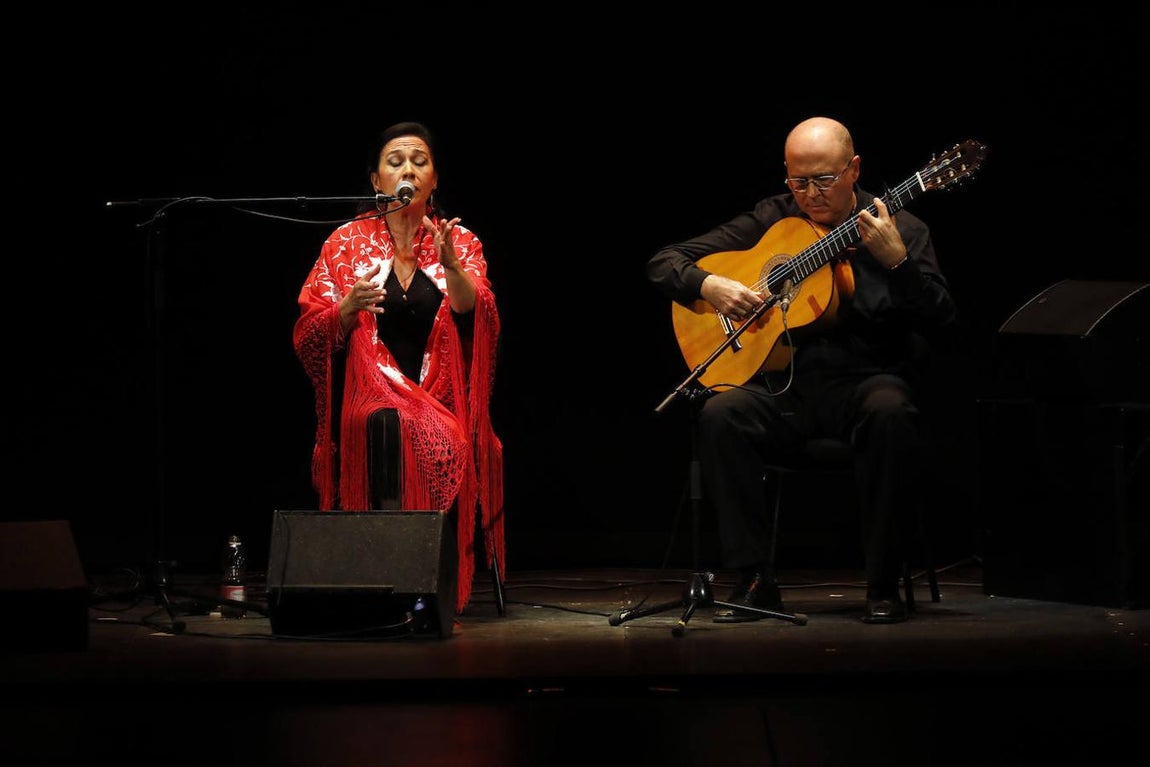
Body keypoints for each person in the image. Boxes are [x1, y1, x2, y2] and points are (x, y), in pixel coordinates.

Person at [646, 116, 959, 624]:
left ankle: (883, 586)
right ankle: (753, 583)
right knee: (721, 414)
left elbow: (944, 322)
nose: (810, 194)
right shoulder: (775, 218)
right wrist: (709, 286)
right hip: (788, 389)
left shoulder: (903, 228)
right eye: (799, 181)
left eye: (825, 180)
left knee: (890, 412)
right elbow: (665, 262)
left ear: (854, 169)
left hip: (866, 382)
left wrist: (898, 265)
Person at [293, 121, 503, 615]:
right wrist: (344, 309)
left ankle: (432, 580)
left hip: (443, 393)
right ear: (376, 180)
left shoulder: (459, 239)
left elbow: (478, 311)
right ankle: (381, 578)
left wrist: (451, 265)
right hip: (369, 389)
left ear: (434, 180)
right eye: (395, 161)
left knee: (441, 431)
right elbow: (310, 332)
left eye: (419, 160)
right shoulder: (345, 242)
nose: (408, 167)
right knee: (384, 420)